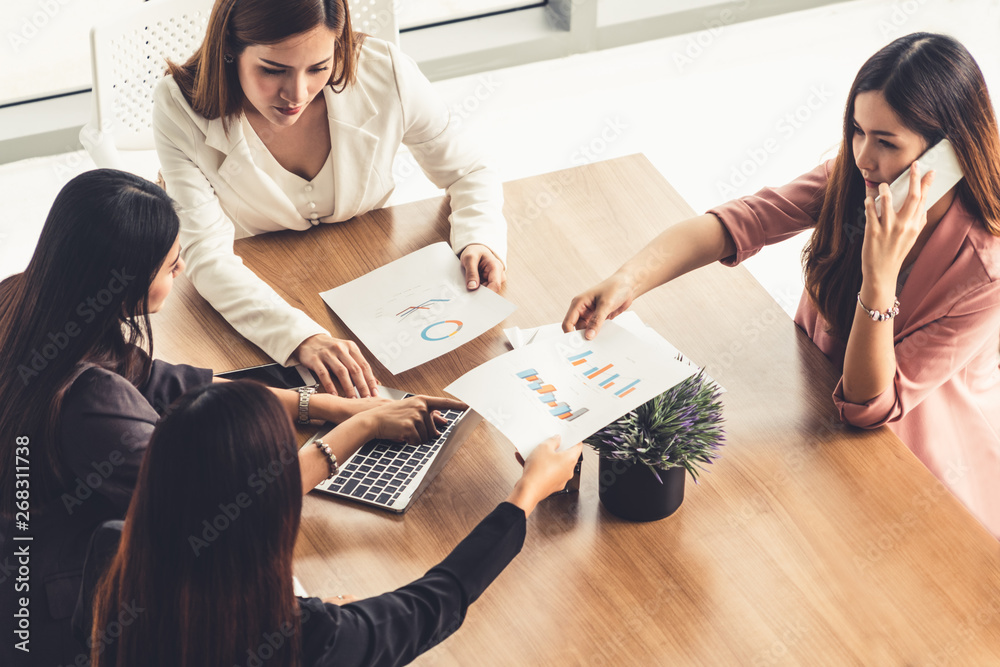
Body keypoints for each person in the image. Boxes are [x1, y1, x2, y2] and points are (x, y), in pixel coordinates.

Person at [0, 169, 464, 666]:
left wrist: (326, 404)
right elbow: (229, 501)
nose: (180, 273)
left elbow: (166, 381)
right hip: (58, 620)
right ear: (124, 284)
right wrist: (358, 429)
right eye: (172, 267)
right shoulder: (92, 404)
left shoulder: (25, 299)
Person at [563, 33, 1000, 537]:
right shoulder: (855, 182)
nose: (863, 156)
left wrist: (879, 275)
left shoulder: (984, 272)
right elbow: (744, 221)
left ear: (947, 155)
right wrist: (627, 279)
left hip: (915, 466)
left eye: (886, 142)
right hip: (816, 409)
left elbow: (868, 404)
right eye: (857, 131)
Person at [72, 380, 580, 666]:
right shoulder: (302, 640)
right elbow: (436, 601)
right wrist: (526, 493)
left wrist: (360, 422)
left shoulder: (112, 552)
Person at [154, 0, 507, 399]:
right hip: (258, 291)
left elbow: (467, 170)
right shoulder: (177, 106)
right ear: (230, 48)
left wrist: (479, 237)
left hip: (372, 278)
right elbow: (207, 254)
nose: (297, 93)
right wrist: (299, 337)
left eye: (318, 67)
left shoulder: (385, 70)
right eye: (273, 70)